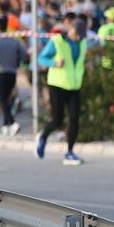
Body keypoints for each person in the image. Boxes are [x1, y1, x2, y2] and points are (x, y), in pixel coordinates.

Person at [35, 17, 90, 165]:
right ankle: (43, 137)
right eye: (77, 34)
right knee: (57, 119)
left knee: (74, 119)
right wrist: (54, 63)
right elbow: (41, 59)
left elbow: (80, 60)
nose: (79, 38)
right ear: (70, 29)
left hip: (74, 85)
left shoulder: (83, 43)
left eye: (81, 35)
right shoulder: (57, 41)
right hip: (57, 85)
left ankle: (70, 152)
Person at [0, 15, 27, 135]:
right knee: (7, 98)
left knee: (2, 98)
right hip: (12, 72)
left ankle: (12, 122)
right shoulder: (14, 40)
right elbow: (24, 54)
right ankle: (6, 124)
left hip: (0, 72)